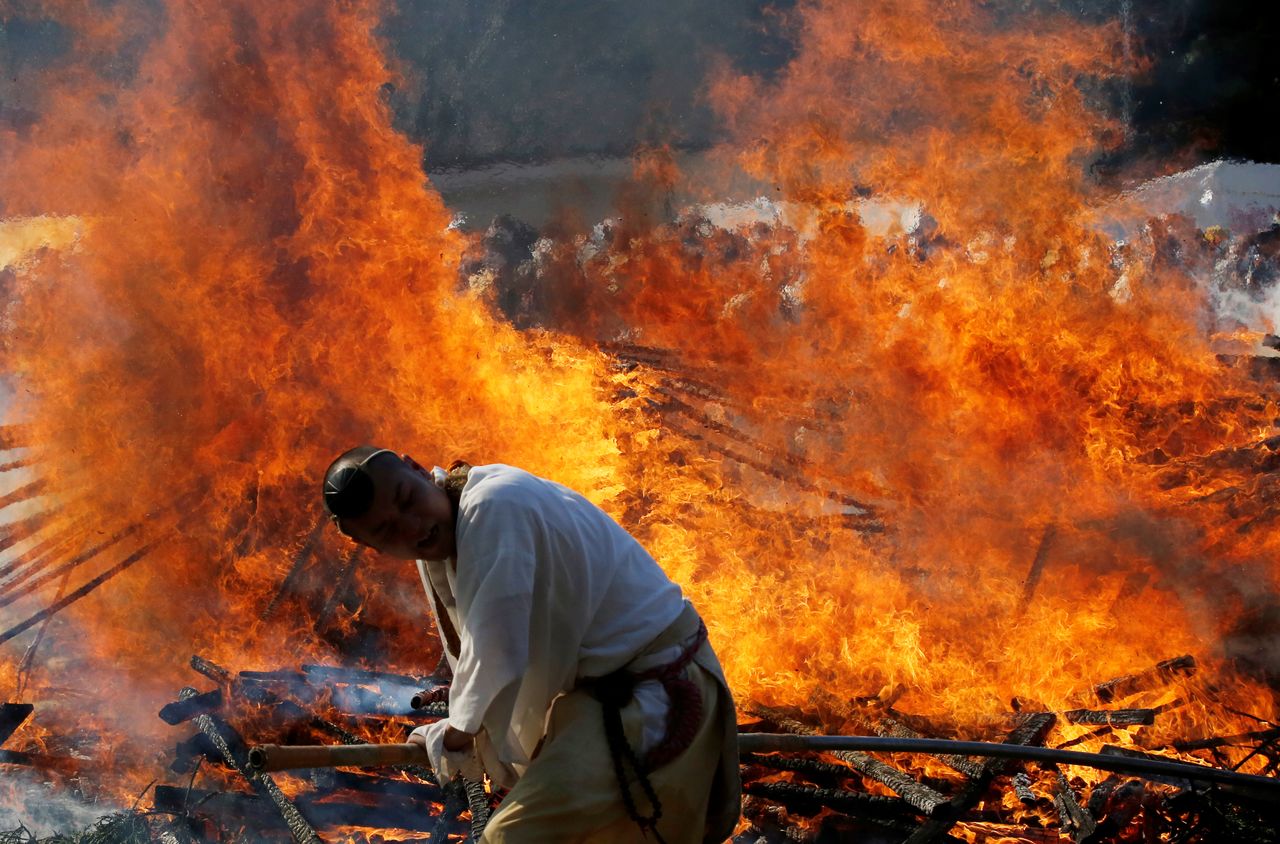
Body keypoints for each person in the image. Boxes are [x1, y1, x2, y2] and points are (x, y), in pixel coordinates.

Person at [321, 446, 741, 843]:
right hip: (604, 698)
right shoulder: (459, 526)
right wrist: (464, 725)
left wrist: (457, 733)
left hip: (657, 691)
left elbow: (498, 651)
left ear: (417, 469)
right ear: (370, 547)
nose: (412, 525)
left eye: (408, 499)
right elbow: (498, 647)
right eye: (388, 529)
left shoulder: (494, 506)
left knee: (510, 837)